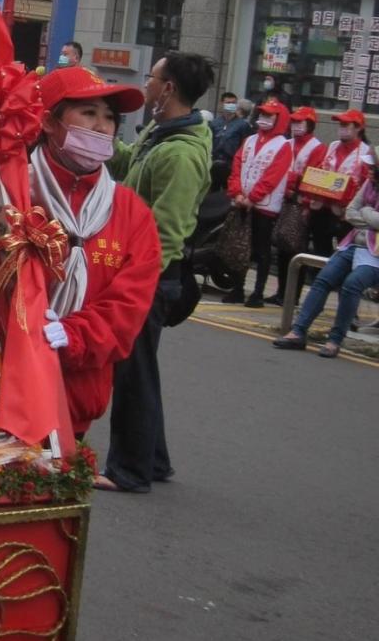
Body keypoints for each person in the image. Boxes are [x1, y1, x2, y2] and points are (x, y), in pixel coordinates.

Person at [0, 64, 161, 641]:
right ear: (47, 123)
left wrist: (58, 337)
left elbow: (127, 311)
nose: (100, 131)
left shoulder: (129, 215)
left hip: (64, 410)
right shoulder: (4, 189)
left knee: (44, 554)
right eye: (86, 116)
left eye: (110, 120)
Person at [96, 51, 214, 494]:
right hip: (142, 270)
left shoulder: (182, 155)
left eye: (151, 78)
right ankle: (155, 459)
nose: (145, 84)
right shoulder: (161, 131)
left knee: (132, 372)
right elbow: (126, 163)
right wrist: (96, 137)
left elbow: (168, 231)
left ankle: (129, 470)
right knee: (141, 367)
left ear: (168, 89)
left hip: (152, 276)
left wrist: (132, 284)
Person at [273, 151, 379, 358]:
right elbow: (350, 212)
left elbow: (368, 217)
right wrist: (369, 217)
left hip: (375, 254)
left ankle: (335, 339)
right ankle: (298, 331)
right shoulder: (369, 184)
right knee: (323, 279)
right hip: (353, 245)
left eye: (374, 168)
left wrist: (365, 213)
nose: (370, 171)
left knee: (352, 284)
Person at [222, 100, 292, 307]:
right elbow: (236, 166)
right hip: (242, 201)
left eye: (270, 116)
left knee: (261, 251)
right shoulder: (250, 140)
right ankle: (237, 288)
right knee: (240, 246)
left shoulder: (283, 145)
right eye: (262, 114)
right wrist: (237, 193)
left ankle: (258, 293)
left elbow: (272, 177)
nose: (264, 119)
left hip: (265, 207)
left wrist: (253, 198)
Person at [265, 106, 326, 306]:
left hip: (300, 204)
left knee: (294, 250)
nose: (296, 126)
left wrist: (290, 181)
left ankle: (292, 296)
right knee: (282, 249)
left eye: (300, 122)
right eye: (294, 122)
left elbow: (312, 177)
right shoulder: (287, 144)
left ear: (310, 124)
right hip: (284, 199)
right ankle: (282, 291)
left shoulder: (317, 147)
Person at [307, 109, 372, 258]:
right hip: (323, 207)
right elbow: (322, 171)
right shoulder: (333, 145)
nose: (341, 128)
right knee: (319, 251)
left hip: (345, 214)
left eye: (346, 124)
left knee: (343, 253)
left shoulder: (366, 153)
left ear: (359, 128)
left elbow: (366, 186)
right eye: (340, 124)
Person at [210, 91, 252, 190]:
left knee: (228, 193)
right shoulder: (214, 123)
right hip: (214, 163)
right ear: (222, 104)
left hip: (231, 165)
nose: (231, 105)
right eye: (228, 103)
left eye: (233, 103)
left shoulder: (242, 125)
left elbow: (246, 145)